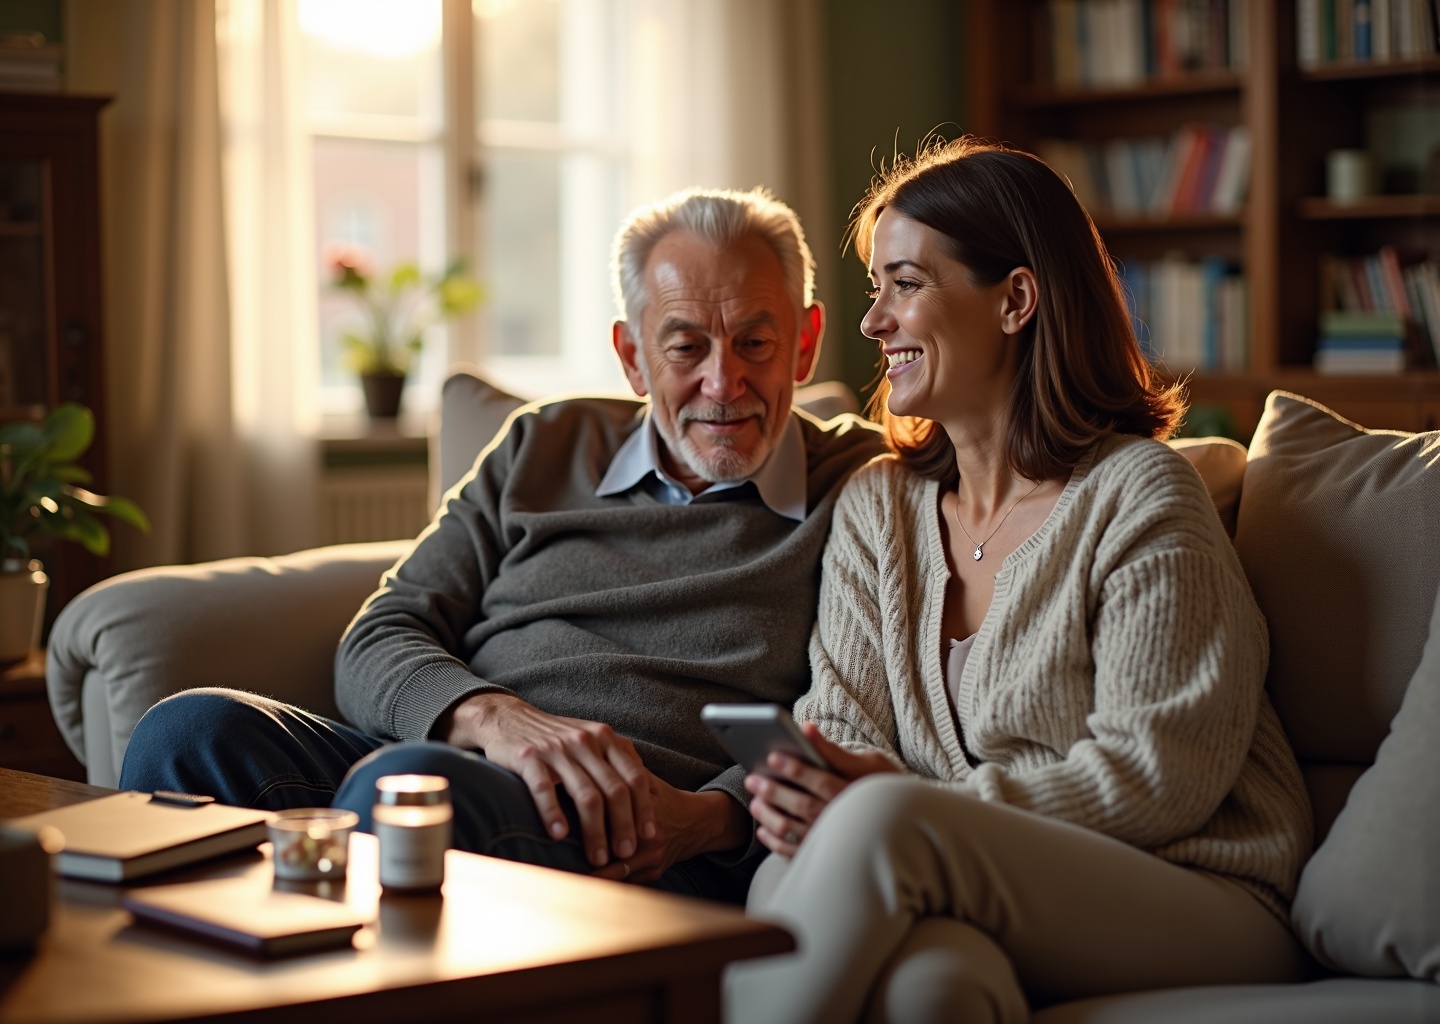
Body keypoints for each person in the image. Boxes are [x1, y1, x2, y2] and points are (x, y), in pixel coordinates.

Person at [118, 186, 885, 905]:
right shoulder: (545, 444)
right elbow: (380, 634)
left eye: (755, 342)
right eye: (685, 348)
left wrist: (707, 817)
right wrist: (494, 719)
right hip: (446, 756)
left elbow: (862, 731)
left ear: (806, 342)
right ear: (632, 356)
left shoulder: (867, 488)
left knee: (409, 790)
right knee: (187, 733)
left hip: (619, 832)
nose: (725, 383)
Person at [724, 140, 1314, 1022]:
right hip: (983, 888)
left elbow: (1158, 777)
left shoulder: (1138, 493)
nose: (873, 321)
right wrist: (809, 793)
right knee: (928, 982)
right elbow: (840, 724)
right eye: (876, 287)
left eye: (907, 284)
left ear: (1016, 300)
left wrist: (909, 806)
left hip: (1194, 887)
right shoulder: (875, 508)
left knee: (881, 827)